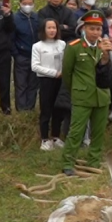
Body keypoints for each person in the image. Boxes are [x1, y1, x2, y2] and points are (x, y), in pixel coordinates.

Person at [61, 11, 112, 176]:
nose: (95, 33)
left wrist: (106, 54)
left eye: (98, 29)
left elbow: (111, 71)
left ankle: (94, 161)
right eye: (92, 29)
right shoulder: (74, 47)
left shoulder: (105, 47)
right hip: (82, 96)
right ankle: (68, 162)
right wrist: (76, 90)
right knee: (76, 131)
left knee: (98, 132)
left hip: (102, 96)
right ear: (84, 28)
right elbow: (67, 74)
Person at [32, 18, 67, 151]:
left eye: (54, 28)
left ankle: (56, 136)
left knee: (58, 110)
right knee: (46, 110)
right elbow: (35, 66)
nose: (52, 30)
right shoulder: (38, 46)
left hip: (61, 81)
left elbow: (66, 61)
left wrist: (62, 73)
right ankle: (45, 139)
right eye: (49, 28)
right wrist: (53, 73)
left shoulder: (62, 44)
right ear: (44, 29)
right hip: (46, 81)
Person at [12, 0, 40, 112]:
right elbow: (11, 38)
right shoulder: (15, 18)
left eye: (30, 3)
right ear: (20, 4)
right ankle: (21, 109)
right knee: (21, 84)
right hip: (21, 56)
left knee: (33, 84)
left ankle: (31, 107)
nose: (27, 6)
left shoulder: (36, 18)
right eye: (25, 3)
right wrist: (16, 54)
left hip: (36, 57)